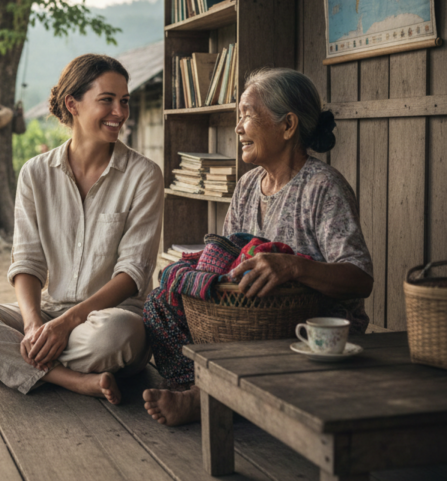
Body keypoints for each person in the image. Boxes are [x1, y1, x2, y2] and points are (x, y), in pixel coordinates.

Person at [143, 68, 374, 426]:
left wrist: (294, 268)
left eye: (247, 115)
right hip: (247, 318)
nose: (238, 128)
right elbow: (225, 259)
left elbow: (360, 279)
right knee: (160, 303)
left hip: (302, 324)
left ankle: (209, 400)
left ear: (288, 125)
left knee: (259, 331)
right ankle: (203, 390)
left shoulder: (323, 187)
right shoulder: (249, 185)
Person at [0, 54, 164, 404]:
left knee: (117, 337)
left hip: (109, 321)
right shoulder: (35, 173)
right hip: (47, 313)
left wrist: (62, 326)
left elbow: (133, 274)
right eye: (107, 100)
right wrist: (33, 326)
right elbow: (27, 261)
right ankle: (71, 380)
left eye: (125, 101)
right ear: (73, 104)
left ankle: (11, 363)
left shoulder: (144, 175)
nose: (120, 111)